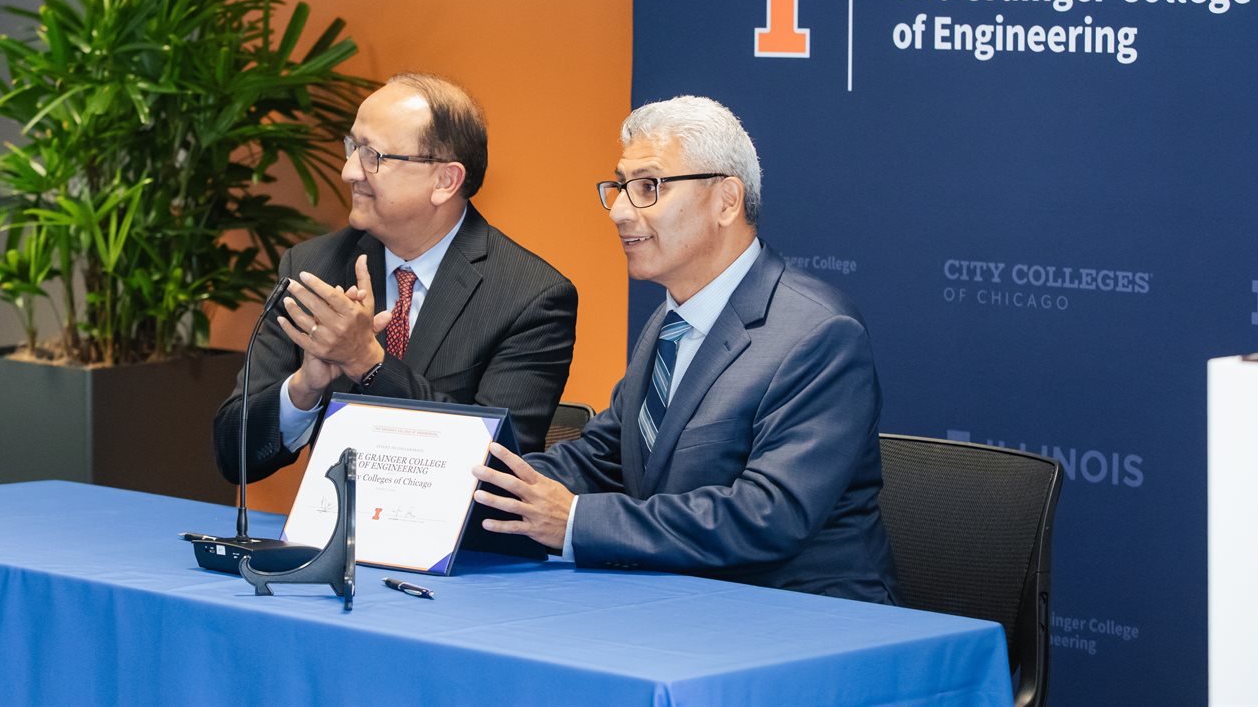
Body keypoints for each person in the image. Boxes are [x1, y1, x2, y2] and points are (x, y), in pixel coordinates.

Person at [471, 96, 898, 602]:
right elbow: (601, 456)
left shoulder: (819, 333)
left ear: (726, 200)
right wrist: (477, 488)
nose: (621, 212)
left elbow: (769, 514)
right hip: (681, 597)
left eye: (648, 187)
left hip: (805, 615)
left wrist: (575, 521)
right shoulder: (671, 320)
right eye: (619, 188)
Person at [213, 73, 577, 483]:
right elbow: (234, 457)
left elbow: (494, 469)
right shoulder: (312, 267)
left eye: (374, 156)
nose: (349, 171)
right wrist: (303, 388)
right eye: (352, 147)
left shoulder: (530, 296)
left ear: (445, 181)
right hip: (331, 536)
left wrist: (367, 362)